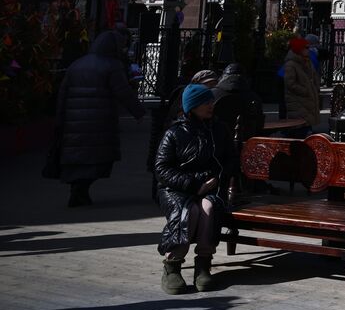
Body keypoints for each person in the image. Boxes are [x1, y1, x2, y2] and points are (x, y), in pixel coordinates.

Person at [50, 29, 146, 206]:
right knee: (97, 157)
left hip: (74, 122)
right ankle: (82, 190)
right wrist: (138, 112)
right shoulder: (112, 65)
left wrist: (60, 119)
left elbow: (62, 93)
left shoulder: (76, 65)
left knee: (78, 158)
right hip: (100, 121)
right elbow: (123, 92)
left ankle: (78, 189)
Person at [155, 82, 235, 294]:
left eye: (211, 101)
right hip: (177, 189)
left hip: (211, 186)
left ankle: (203, 264)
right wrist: (193, 184)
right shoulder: (174, 133)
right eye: (205, 102)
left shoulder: (219, 129)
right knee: (188, 212)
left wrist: (216, 180)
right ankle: (172, 266)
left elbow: (231, 161)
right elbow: (162, 169)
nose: (211, 105)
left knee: (208, 210)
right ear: (192, 106)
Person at [212, 62, 263, 138]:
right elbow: (259, 125)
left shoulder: (211, 94)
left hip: (215, 140)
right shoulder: (254, 97)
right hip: (246, 140)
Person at [282, 36, 321, 134]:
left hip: (307, 101)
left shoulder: (307, 61)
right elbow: (290, 83)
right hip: (298, 101)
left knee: (307, 126)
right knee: (299, 128)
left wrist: (315, 88)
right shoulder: (291, 64)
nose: (309, 50)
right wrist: (305, 90)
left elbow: (314, 76)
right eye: (306, 48)